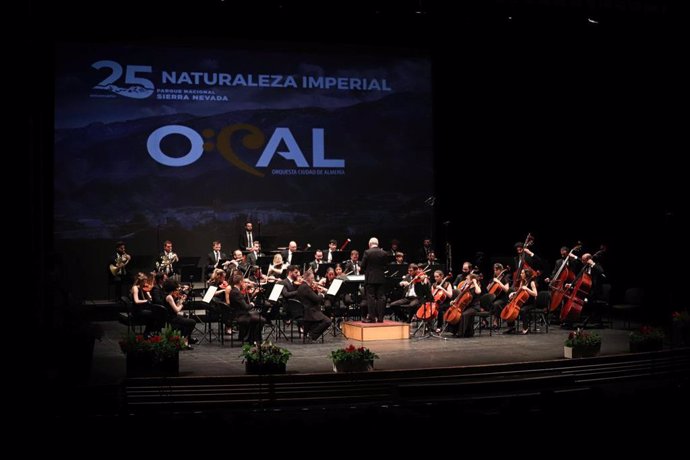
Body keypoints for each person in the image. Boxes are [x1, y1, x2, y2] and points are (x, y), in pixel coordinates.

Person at [297, 270, 331, 342]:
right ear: (308, 278)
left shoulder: (302, 286)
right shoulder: (306, 287)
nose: (313, 280)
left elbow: (310, 297)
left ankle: (310, 334)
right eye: (312, 278)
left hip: (306, 310)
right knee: (328, 321)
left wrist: (315, 290)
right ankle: (312, 335)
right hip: (310, 312)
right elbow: (317, 299)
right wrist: (322, 294)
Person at [360, 237, 388, 323]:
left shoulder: (367, 252)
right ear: (377, 244)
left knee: (370, 297)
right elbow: (386, 266)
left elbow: (363, 266)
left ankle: (372, 318)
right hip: (381, 278)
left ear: (369, 244)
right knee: (381, 297)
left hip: (370, 279)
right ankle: (380, 318)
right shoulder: (384, 253)